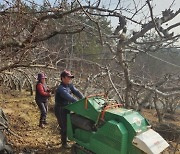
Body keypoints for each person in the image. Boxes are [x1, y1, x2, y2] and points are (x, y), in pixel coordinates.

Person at [55, 70, 83, 149]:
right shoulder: (61, 88)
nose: (70, 79)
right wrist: (79, 103)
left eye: (70, 77)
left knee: (67, 124)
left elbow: (77, 92)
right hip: (60, 108)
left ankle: (64, 138)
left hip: (67, 107)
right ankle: (64, 144)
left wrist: (84, 99)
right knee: (64, 126)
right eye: (68, 77)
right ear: (63, 78)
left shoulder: (69, 85)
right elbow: (70, 98)